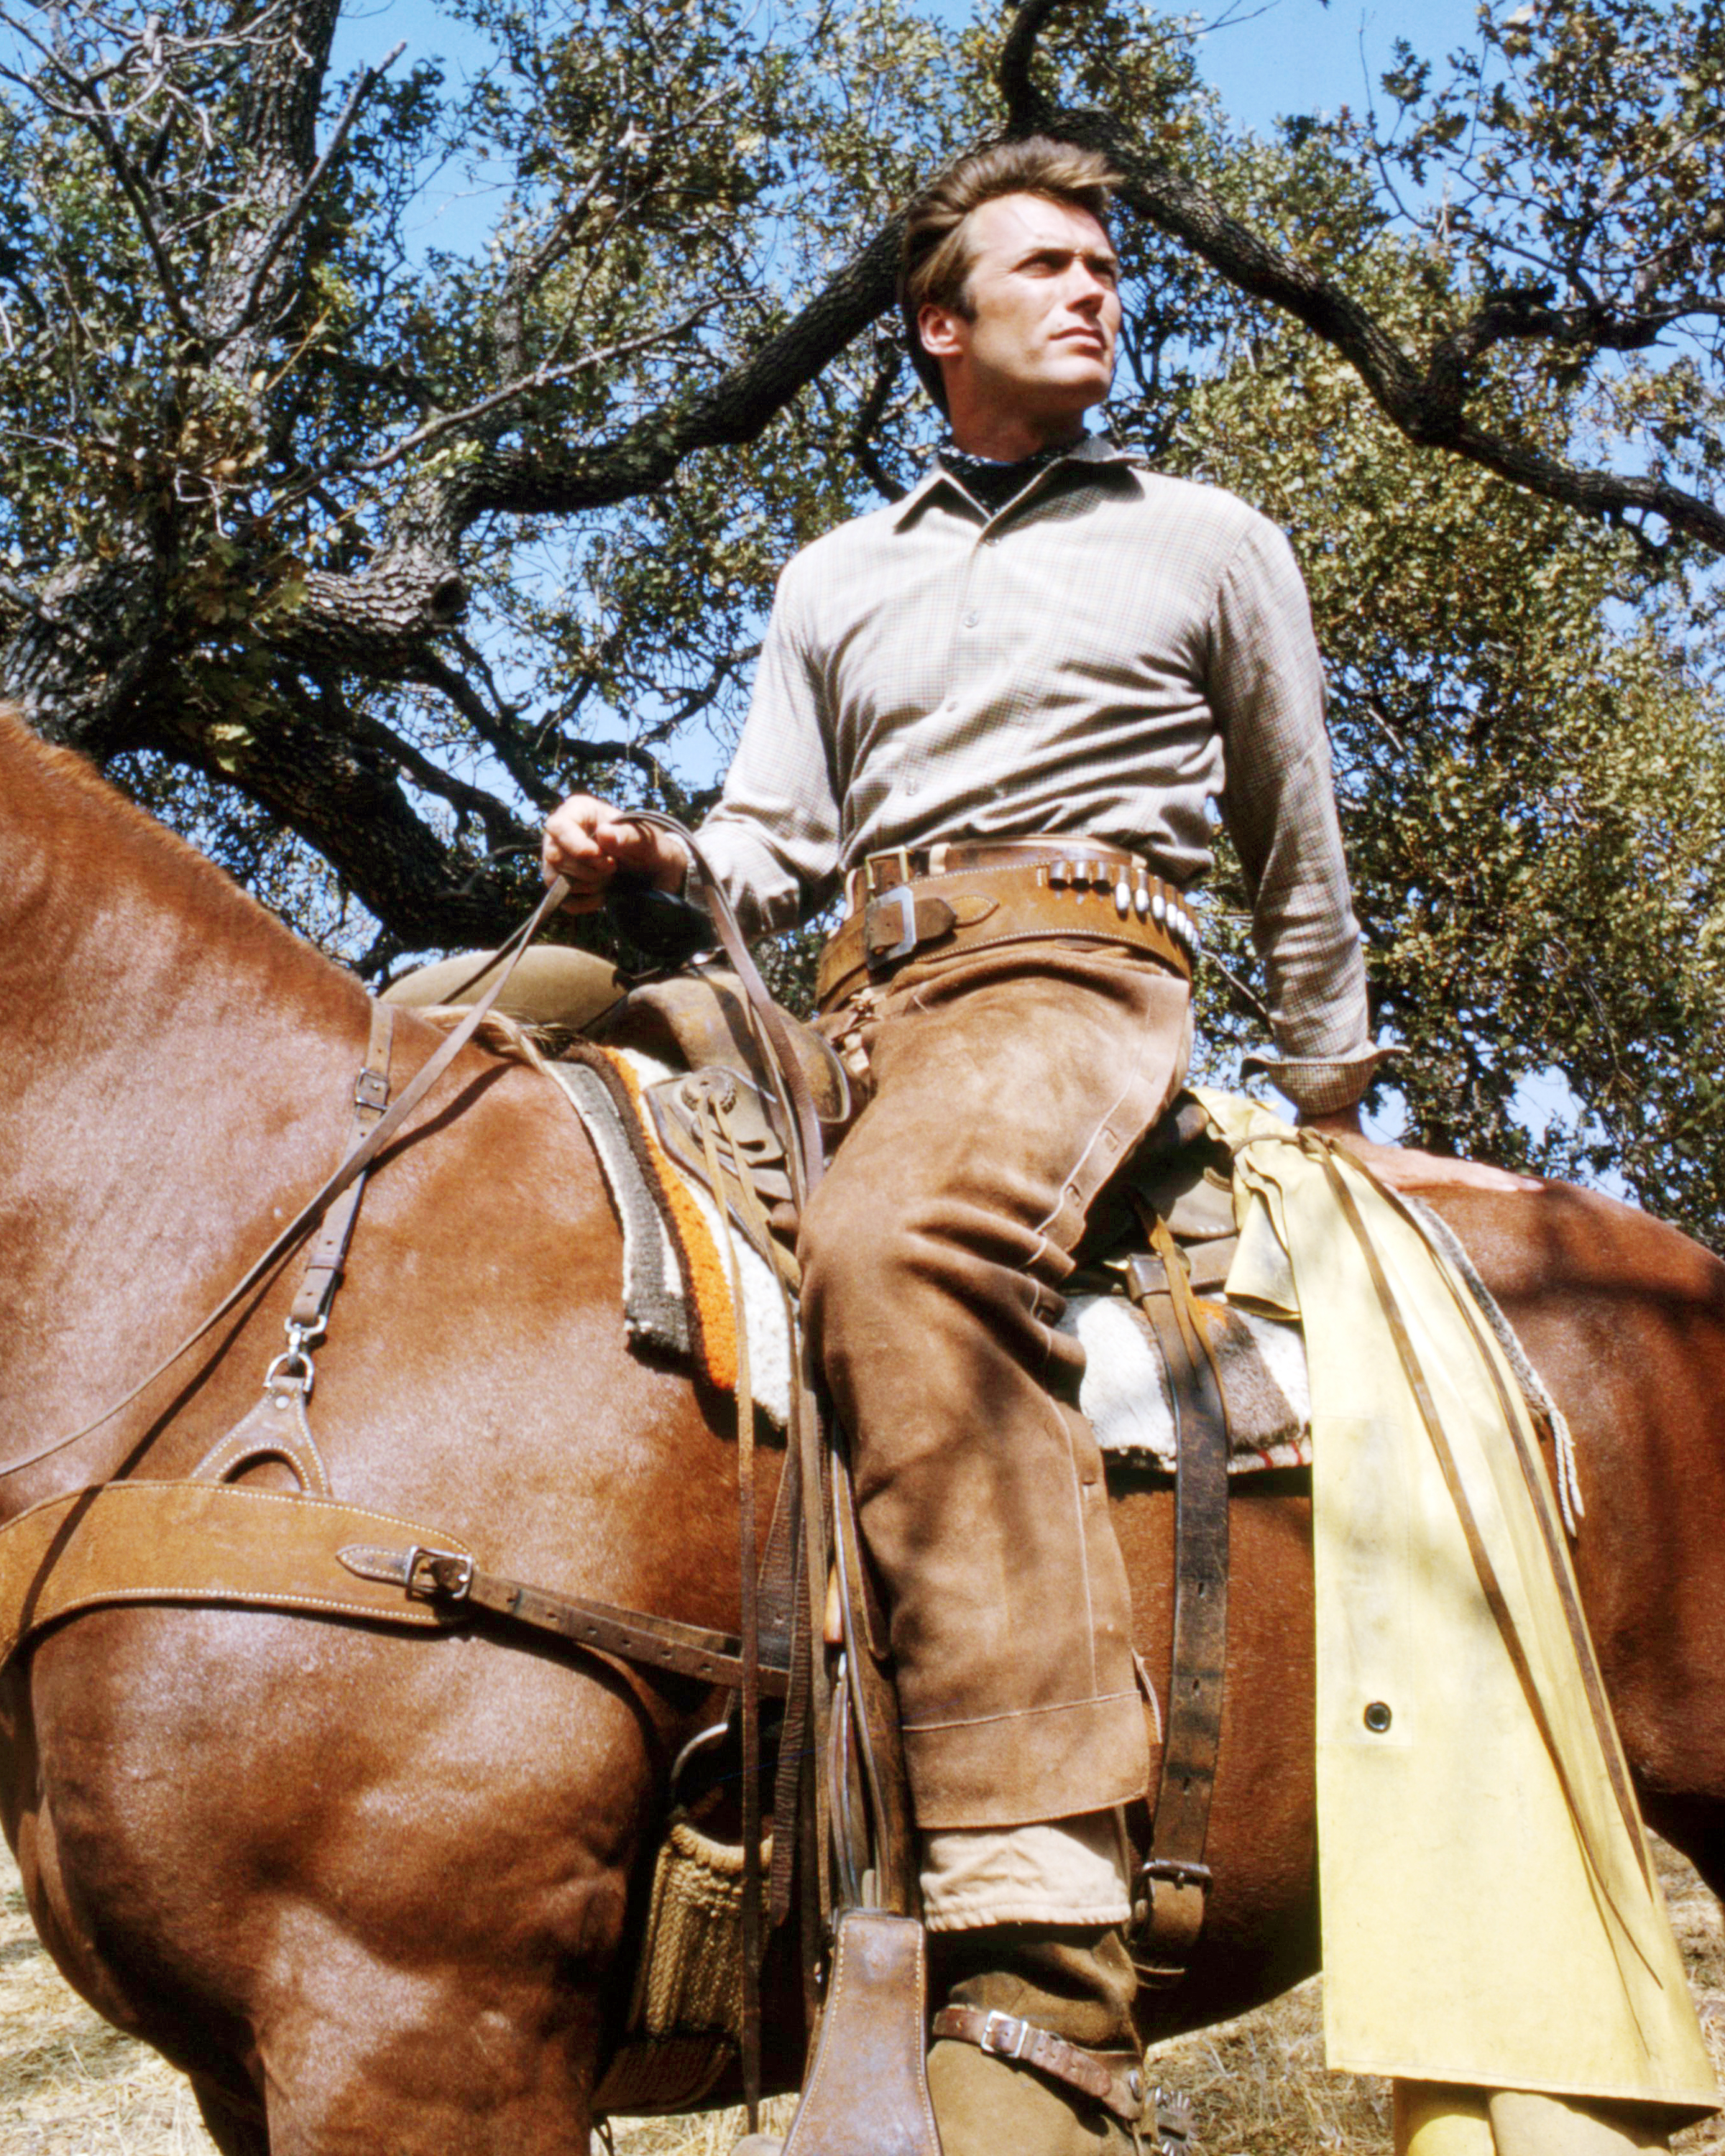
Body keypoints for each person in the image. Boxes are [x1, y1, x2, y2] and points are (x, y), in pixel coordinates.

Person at [542, 137, 1522, 2156]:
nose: (1093, 291)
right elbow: (771, 838)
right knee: (502, 1037)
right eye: (1046, 266)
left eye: (1102, 265)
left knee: (901, 1253)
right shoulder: (841, 571)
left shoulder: (1210, 540)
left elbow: (1294, 838)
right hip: (846, 985)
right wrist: (642, 855)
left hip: (1075, 976)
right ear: (939, 323)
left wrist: (1335, 1098)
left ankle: (1038, 1911)